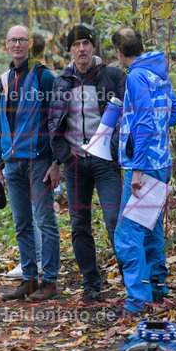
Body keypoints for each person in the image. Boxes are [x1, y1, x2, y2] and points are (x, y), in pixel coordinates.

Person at [49, 24, 126, 304]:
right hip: (75, 163)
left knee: (115, 221)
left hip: (106, 163)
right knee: (80, 225)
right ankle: (91, 284)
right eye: (75, 44)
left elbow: (126, 120)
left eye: (85, 43)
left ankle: (131, 284)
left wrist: (115, 150)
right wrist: (63, 157)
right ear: (69, 50)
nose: (81, 48)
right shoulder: (62, 81)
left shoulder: (113, 76)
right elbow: (54, 122)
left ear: (93, 47)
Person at [111, 27, 176, 317]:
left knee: (128, 234)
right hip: (162, 163)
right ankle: (157, 290)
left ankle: (136, 302)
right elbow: (175, 114)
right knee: (151, 226)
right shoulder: (158, 72)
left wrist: (138, 169)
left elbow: (142, 124)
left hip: (143, 167)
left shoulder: (136, 77)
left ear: (119, 52)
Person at [0, 25, 61, 303]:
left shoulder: (43, 77)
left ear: (29, 44)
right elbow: (0, 123)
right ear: (6, 44)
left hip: (39, 161)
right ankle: (29, 280)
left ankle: (50, 281)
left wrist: (56, 161)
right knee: (21, 223)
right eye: (13, 40)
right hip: (13, 164)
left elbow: (58, 119)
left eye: (22, 40)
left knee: (45, 221)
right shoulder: (4, 79)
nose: (17, 45)